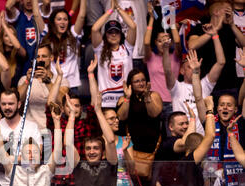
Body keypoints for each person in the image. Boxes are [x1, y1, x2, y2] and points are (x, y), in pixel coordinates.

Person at [0, 93, 63, 186]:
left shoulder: (46, 171)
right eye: (27, 152)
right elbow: (1, 150)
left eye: (35, 152)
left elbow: (58, 150)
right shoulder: (14, 172)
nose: (31, 156)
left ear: (40, 156)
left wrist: (57, 122)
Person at [164, 33, 225, 135]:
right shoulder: (177, 87)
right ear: (182, 71)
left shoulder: (205, 84)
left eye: (196, 67)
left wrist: (215, 35)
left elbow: (221, 63)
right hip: (182, 135)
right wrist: (165, 50)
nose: (193, 69)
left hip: (203, 135)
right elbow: (167, 70)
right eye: (189, 67)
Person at [65, 87, 118, 186]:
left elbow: (110, 140)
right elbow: (68, 143)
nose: (92, 151)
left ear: (103, 152)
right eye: (88, 148)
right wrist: (72, 114)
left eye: (96, 148)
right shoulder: (78, 165)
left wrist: (98, 111)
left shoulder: (110, 164)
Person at [188, 0, 245, 98]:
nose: (230, 14)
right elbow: (192, 45)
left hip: (229, 83)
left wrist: (232, 25)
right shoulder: (200, 27)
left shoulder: (230, 29)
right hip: (206, 82)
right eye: (227, 11)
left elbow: (243, 44)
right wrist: (214, 31)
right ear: (216, 12)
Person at [116, 68, 163, 179]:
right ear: (130, 84)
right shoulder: (124, 99)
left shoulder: (154, 95)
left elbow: (154, 114)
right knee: (131, 180)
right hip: (131, 146)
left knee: (151, 180)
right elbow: (121, 117)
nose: (141, 83)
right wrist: (127, 97)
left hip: (152, 145)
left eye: (143, 80)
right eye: (137, 81)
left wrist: (147, 97)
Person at [143, 2, 182, 131]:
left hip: (172, 101)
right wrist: (151, 19)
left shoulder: (175, 56)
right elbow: (146, 42)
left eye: (166, 40)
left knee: (171, 137)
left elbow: (177, 41)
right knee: (155, 136)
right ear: (156, 42)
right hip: (155, 101)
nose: (163, 43)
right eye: (160, 41)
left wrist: (171, 21)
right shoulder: (151, 57)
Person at [91, 0, 137, 108]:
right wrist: (110, 11)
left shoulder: (127, 48)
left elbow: (133, 27)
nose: (113, 35)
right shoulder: (100, 49)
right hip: (105, 101)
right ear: (105, 35)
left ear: (121, 34)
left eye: (116, 32)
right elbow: (94, 29)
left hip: (125, 99)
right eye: (110, 32)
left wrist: (118, 9)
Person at [32, 0, 87, 90]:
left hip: (71, 84)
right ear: (53, 22)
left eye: (65, 19)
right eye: (59, 19)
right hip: (52, 82)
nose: (62, 22)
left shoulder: (73, 33)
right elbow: (36, 15)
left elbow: (81, 16)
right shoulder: (46, 33)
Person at [17, 42, 69, 130]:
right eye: (37, 56)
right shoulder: (25, 79)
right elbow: (18, 100)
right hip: (30, 128)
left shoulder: (61, 80)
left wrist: (47, 81)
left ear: (51, 58)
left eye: (44, 56)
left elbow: (62, 102)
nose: (40, 59)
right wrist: (27, 81)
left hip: (52, 128)